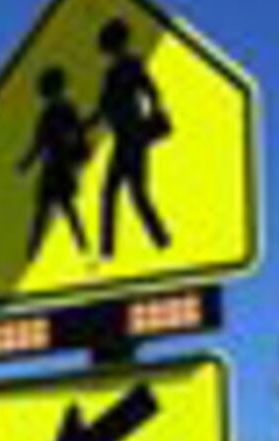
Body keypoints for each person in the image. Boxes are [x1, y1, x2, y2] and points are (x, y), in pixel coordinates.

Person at [91, 18, 173, 259]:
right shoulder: (111, 73)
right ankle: (108, 250)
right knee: (111, 193)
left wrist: (154, 114)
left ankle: (161, 241)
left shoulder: (132, 64)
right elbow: (103, 109)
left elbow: (151, 90)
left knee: (136, 193)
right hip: (121, 139)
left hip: (134, 136)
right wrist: (84, 127)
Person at [14, 63, 96, 270]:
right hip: (52, 169)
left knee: (65, 211)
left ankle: (83, 248)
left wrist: (79, 154)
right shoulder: (48, 114)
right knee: (47, 212)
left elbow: (78, 135)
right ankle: (32, 256)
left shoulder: (66, 110)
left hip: (61, 169)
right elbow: (39, 143)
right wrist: (25, 163)